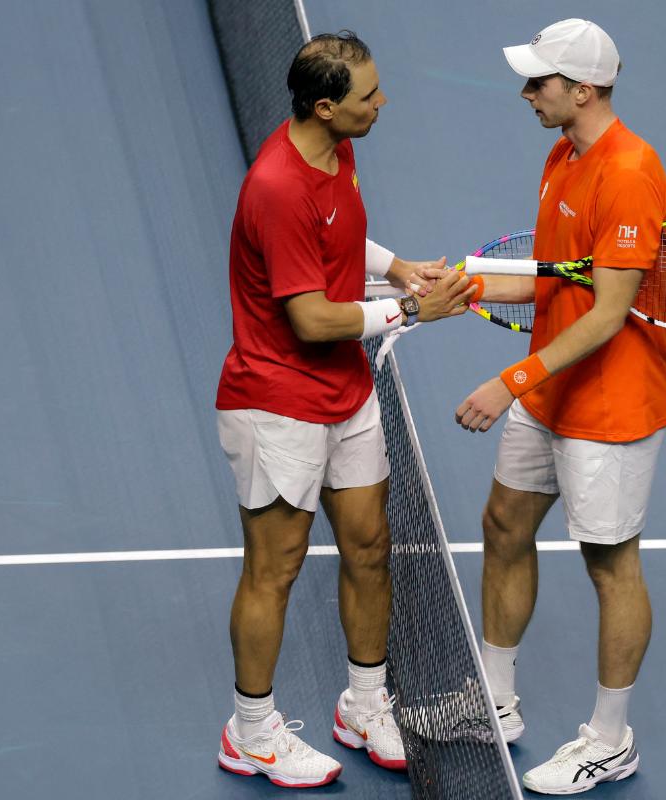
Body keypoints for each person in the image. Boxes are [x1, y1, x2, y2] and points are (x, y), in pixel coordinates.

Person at [215, 31, 473, 789]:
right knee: (276, 568)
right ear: (326, 107)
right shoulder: (276, 186)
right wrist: (411, 311)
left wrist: (398, 269)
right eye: (368, 97)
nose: (382, 103)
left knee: (368, 544)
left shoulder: (337, 148)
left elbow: (342, 234)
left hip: (346, 396)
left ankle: (364, 704)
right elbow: (311, 319)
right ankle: (251, 732)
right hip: (276, 405)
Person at [454, 18, 666, 795]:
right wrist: (463, 288)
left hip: (609, 410)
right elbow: (559, 281)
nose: (525, 92)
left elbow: (608, 313)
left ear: (583, 90)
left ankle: (611, 740)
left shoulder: (630, 172)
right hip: (549, 392)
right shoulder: (561, 154)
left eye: (539, 82)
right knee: (504, 525)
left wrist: (507, 381)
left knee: (610, 566)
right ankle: (495, 700)